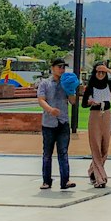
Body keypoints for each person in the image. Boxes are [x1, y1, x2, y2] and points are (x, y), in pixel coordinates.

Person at [81, 60, 111, 187]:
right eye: (98, 72)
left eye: (102, 72)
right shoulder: (90, 87)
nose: (100, 74)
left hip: (106, 115)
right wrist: (90, 102)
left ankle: (92, 171)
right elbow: (83, 104)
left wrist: (109, 70)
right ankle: (100, 178)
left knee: (105, 147)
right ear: (95, 73)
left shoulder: (109, 84)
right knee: (96, 147)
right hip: (95, 116)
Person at [37, 59, 77, 191]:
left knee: (63, 152)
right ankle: (46, 181)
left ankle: (65, 180)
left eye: (63, 67)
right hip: (48, 123)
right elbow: (41, 100)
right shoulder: (45, 83)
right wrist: (50, 110)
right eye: (59, 67)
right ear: (52, 68)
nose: (62, 70)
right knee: (47, 153)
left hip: (63, 122)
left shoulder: (66, 82)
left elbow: (73, 102)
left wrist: (71, 90)